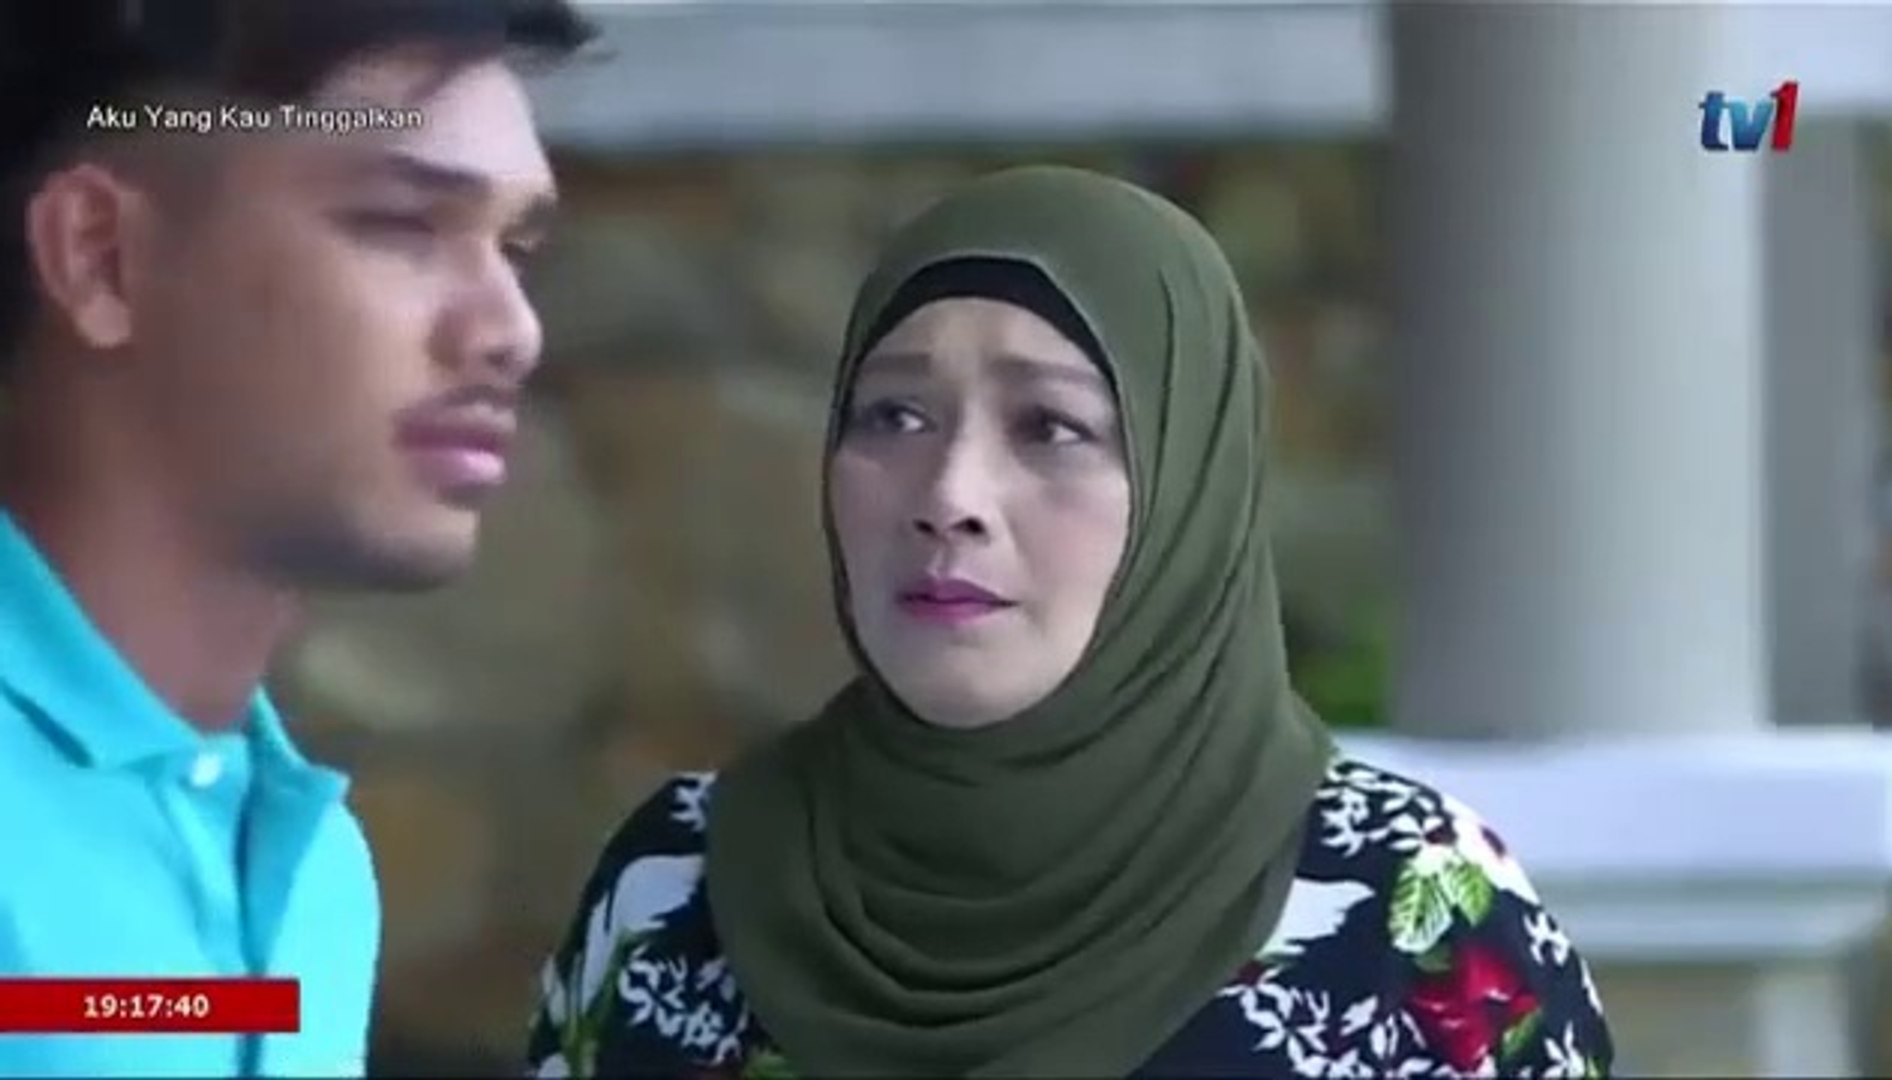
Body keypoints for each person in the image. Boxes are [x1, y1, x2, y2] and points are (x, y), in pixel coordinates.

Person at [527, 166, 1615, 1078]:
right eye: (894, 414)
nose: (949, 493)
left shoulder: (1409, 913)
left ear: (1188, 489)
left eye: (1050, 426)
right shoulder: (674, 886)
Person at [0, 1, 595, 1075]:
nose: (511, 329)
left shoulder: (313, 869)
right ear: (100, 256)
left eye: (515, 248)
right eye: (403, 226)